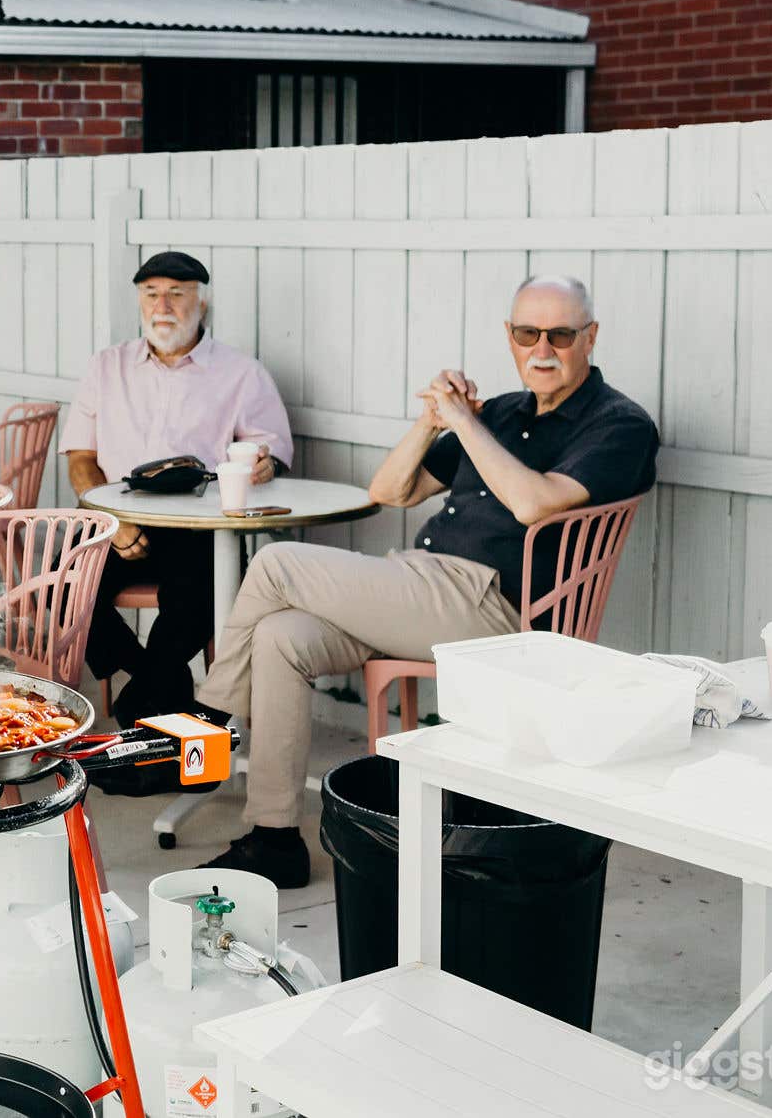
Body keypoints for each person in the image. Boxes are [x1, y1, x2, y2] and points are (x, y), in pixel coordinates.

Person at [191, 275, 658, 888]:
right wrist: (432, 421)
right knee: (280, 636)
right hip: (419, 588)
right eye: (527, 334)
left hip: (497, 611)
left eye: (561, 335)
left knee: (278, 563)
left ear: (590, 337)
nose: (542, 349)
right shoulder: (503, 413)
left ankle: (203, 723)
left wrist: (466, 422)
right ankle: (275, 838)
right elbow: (389, 490)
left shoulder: (618, 424)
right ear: (509, 337)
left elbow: (534, 504)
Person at [60, 251, 292, 732]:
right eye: (151, 294)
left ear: (202, 304)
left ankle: (142, 701)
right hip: (113, 519)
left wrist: (265, 463)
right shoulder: (106, 366)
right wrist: (113, 522)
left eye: (176, 294)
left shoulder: (241, 373)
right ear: (139, 301)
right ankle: (157, 681)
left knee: (197, 597)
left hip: (197, 526)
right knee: (60, 587)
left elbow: (270, 451)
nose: (162, 305)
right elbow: (80, 459)